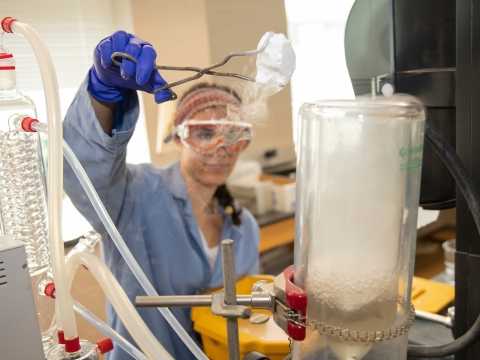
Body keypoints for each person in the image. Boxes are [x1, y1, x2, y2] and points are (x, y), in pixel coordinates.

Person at [62, 30, 260, 359]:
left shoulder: (245, 226)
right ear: (179, 138)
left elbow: (249, 315)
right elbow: (81, 173)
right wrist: (103, 95)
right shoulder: (134, 194)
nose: (220, 149)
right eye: (204, 133)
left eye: (233, 135)